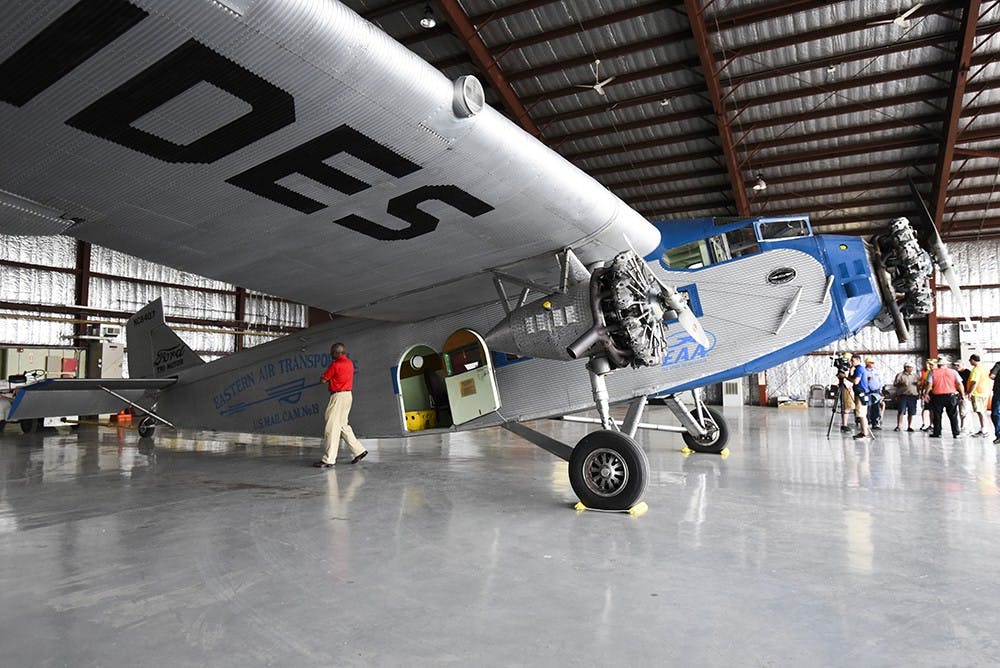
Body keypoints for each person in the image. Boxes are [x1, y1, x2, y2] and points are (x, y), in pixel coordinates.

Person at [313, 342, 368, 468]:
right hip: (348, 396)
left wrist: (323, 377)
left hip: (337, 397)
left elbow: (323, 379)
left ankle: (328, 459)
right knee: (343, 425)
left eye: (332, 352)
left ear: (337, 353)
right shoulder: (349, 363)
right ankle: (359, 450)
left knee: (331, 427)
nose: (330, 354)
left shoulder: (335, 365)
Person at [928, 356, 966, 439]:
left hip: (937, 396)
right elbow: (960, 384)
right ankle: (956, 433)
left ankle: (937, 433)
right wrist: (962, 394)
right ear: (946, 365)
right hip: (951, 396)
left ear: (938, 365)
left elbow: (929, 384)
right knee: (953, 415)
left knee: (937, 415)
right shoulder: (953, 372)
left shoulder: (933, 372)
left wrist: (926, 393)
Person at [966, 354, 992, 437]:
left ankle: (984, 430)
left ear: (973, 360)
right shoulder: (984, 368)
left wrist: (970, 392)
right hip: (985, 392)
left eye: (970, 360)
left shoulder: (976, 370)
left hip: (977, 393)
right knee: (982, 411)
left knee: (980, 412)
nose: (969, 362)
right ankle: (983, 429)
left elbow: (974, 382)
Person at [893, 362, 920, 432]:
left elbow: (919, 385)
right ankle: (899, 425)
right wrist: (901, 383)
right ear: (905, 367)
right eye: (908, 367)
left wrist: (919, 392)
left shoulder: (915, 375)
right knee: (901, 411)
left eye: (911, 367)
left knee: (911, 411)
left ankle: (909, 426)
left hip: (912, 395)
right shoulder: (900, 375)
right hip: (903, 395)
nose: (909, 368)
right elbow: (895, 384)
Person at [849, 354, 872, 439]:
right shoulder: (859, 369)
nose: (851, 362)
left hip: (861, 393)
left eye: (853, 360)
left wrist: (846, 378)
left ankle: (864, 434)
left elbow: (855, 381)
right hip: (860, 393)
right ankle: (863, 432)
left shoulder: (859, 369)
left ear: (858, 360)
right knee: (861, 414)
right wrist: (850, 371)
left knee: (861, 414)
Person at [864, 357, 884, 430]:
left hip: (876, 391)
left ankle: (875, 423)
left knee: (876, 407)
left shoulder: (877, 371)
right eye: (871, 363)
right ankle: (867, 422)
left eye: (873, 363)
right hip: (867, 391)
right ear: (867, 363)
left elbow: (881, 381)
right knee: (868, 407)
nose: (872, 364)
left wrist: (881, 390)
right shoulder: (864, 371)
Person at [918, 358, 936, 431]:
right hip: (928, 392)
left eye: (931, 364)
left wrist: (926, 393)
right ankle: (928, 424)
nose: (929, 365)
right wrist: (922, 392)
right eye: (929, 364)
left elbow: (930, 384)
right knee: (927, 408)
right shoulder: (928, 372)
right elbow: (925, 383)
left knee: (934, 409)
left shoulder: (935, 372)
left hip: (933, 392)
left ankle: (933, 424)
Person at [954, 360, 971, 432]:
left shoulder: (968, 372)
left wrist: (966, 393)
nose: (956, 367)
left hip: (965, 394)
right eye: (956, 365)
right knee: (962, 411)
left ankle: (964, 428)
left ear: (963, 365)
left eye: (958, 365)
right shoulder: (957, 373)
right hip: (958, 394)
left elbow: (970, 384)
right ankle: (967, 428)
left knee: (964, 411)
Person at [990, 360, 1000, 445]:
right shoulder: (998, 364)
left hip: (998, 392)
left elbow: (992, 375)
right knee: (996, 414)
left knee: (996, 414)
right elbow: (992, 376)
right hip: (998, 392)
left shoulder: (998, 364)